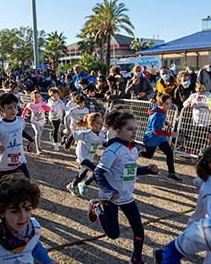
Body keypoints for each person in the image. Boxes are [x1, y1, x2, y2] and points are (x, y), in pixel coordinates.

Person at [88, 113, 159, 264]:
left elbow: (130, 172)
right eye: (129, 129)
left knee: (139, 229)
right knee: (113, 234)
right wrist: (109, 191)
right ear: (118, 132)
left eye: (136, 128)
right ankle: (96, 207)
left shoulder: (133, 149)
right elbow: (97, 173)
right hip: (110, 197)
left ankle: (136, 258)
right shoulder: (113, 149)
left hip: (127, 196)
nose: (134, 132)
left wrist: (147, 169)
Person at [0, 175, 57, 264]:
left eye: (28, 209)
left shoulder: (34, 229)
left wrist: (48, 261)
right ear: (1, 212)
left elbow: (34, 245)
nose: (23, 216)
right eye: (15, 211)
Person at [0, 93, 36, 180]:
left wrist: (31, 141)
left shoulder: (20, 121)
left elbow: (20, 131)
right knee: (4, 192)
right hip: (5, 166)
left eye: (15, 107)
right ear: (1, 109)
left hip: (20, 162)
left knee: (27, 187)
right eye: (9, 107)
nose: (13, 110)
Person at [140, 93, 182, 181]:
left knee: (169, 153)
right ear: (160, 105)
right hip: (152, 138)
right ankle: (139, 152)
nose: (169, 105)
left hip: (160, 138)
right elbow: (156, 130)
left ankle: (171, 173)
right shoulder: (156, 115)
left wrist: (167, 123)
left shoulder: (161, 111)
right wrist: (170, 134)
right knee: (149, 156)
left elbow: (161, 121)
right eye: (166, 104)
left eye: (170, 103)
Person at [65, 112, 106, 198]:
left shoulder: (102, 134)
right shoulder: (86, 133)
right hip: (82, 157)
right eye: (98, 123)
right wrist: (67, 145)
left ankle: (73, 185)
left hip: (90, 157)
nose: (101, 125)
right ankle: (85, 184)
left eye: (101, 122)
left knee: (82, 175)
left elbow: (105, 143)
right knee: (97, 171)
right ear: (91, 124)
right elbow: (72, 135)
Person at [182, 82, 211, 154]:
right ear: (196, 89)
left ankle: (205, 153)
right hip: (196, 121)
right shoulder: (193, 95)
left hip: (206, 122)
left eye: (203, 88)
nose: (201, 90)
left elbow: (208, 103)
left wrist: (197, 103)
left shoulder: (208, 94)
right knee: (196, 138)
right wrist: (187, 104)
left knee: (205, 138)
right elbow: (185, 103)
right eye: (199, 88)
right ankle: (196, 152)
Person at [21, 90, 50, 155]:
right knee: (38, 133)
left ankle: (34, 142)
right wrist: (23, 115)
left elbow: (49, 109)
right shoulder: (31, 104)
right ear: (32, 98)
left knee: (39, 135)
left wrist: (45, 107)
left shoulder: (42, 103)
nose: (37, 98)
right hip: (34, 121)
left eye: (38, 97)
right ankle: (38, 149)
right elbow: (26, 108)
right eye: (35, 97)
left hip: (42, 121)